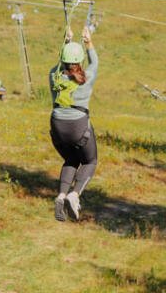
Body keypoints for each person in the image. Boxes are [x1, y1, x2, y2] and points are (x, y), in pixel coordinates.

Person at [49, 25, 98, 222]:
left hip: (57, 127)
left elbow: (58, 65)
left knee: (71, 159)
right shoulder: (87, 78)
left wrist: (66, 41)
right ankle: (74, 194)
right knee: (90, 161)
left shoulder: (54, 76)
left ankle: (61, 195)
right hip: (78, 126)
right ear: (80, 61)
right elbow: (95, 61)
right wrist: (88, 41)